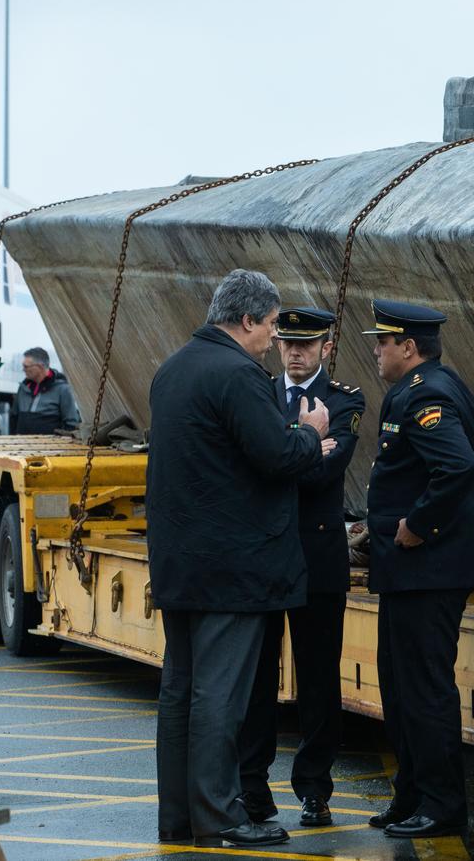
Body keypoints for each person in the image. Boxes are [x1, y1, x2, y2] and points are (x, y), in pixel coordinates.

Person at [148, 269, 332, 848]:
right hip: (233, 567)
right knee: (218, 699)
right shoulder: (238, 374)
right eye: (272, 326)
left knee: (180, 693)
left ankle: (180, 817)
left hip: (181, 563)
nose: (274, 340)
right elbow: (276, 454)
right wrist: (309, 433)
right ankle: (220, 817)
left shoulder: (173, 368)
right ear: (248, 320)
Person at [362, 299, 474, 839]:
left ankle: (441, 807)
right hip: (414, 572)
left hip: (427, 572)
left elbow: (462, 466)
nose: (375, 350)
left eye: (383, 342)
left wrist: (424, 527)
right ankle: (411, 796)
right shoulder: (432, 387)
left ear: (409, 348)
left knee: (423, 690)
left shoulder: (429, 395)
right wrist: (465, 524)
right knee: (399, 688)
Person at [239, 306, 365, 828]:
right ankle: (253, 788)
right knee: (258, 680)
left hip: (317, 558)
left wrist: (283, 453)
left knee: (317, 681)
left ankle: (315, 788)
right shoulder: (260, 392)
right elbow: (251, 467)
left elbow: (322, 474)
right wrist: (308, 444)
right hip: (267, 557)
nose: (294, 352)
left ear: (326, 348)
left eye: (306, 345)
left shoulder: (346, 400)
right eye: (288, 342)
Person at [11, 347, 80, 434]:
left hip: (49, 446)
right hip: (21, 445)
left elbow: (71, 424)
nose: (23, 369)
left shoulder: (63, 389)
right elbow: (14, 417)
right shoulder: (23, 388)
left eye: (26, 366)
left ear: (39, 367)